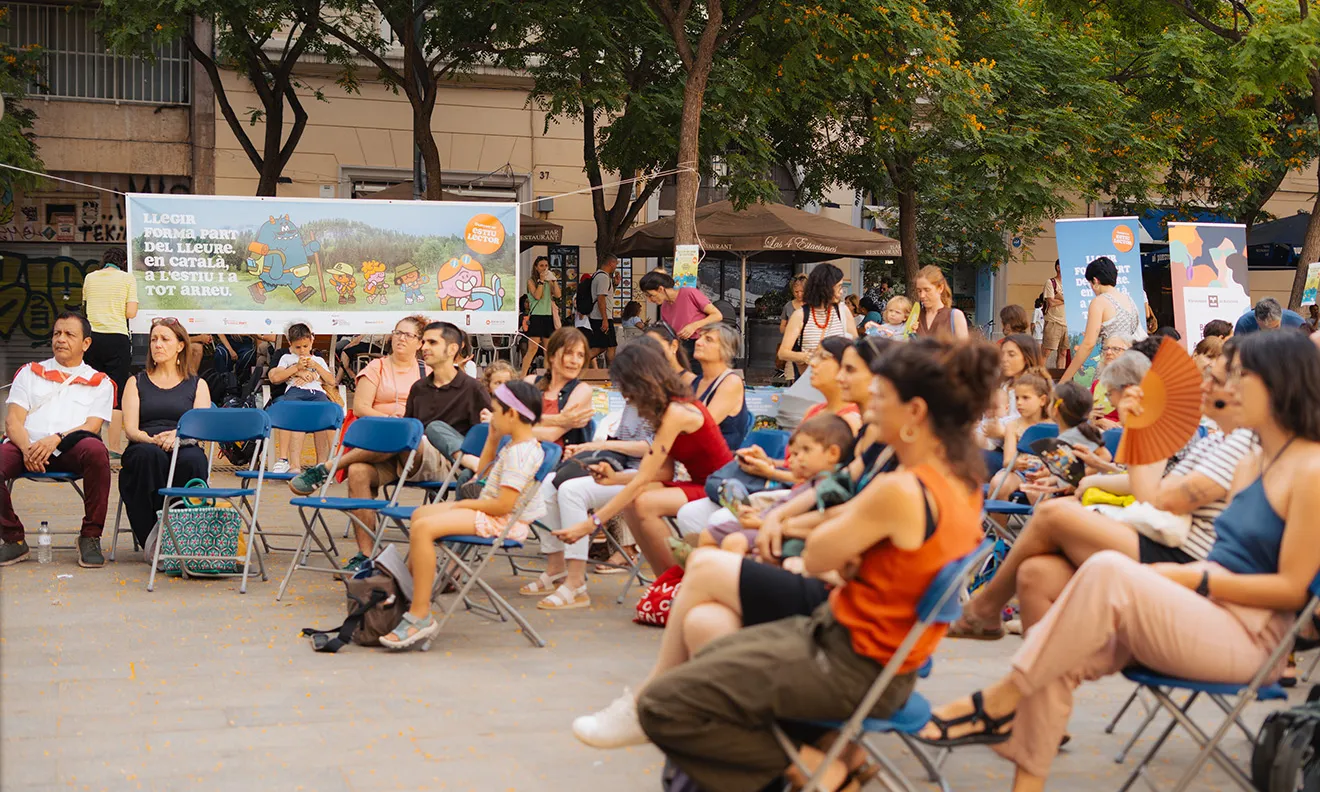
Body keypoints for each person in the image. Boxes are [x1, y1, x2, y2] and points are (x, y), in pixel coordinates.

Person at [919, 330, 1320, 791]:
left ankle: (999, 698)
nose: (1227, 387)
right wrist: (1190, 579)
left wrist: (1193, 579)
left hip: (1252, 636)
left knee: (1104, 571)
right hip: (1200, 604)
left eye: (1240, 377)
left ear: (1279, 384)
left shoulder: (1309, 470)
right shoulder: (1254, 460)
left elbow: (1293, 589)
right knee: (1050, 617)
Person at [620, 338, 995, 791]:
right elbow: (858, 559)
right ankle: (819, 765)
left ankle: (821, 771)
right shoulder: (963, 481)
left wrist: (848, 549)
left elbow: (818, 555)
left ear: (915, 412)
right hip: (877, 654)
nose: (871, 405)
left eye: (881, 396)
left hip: (850, 659)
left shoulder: (900, 488)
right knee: (707, 638)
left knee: (665, 706)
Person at [571, 338, 896, 750]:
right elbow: (828, 489)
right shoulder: (869, 439)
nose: (827, 370)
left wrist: (785, 526)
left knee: (707, 560)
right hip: (808, 557)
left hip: (843, 597)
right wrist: (778, 509)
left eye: (850, 368)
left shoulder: (894, 463)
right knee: (704, 620)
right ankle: (734, 731)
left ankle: (650, 700)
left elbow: (848, 520)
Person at [291, 323, 490, 568]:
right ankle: (365, 556)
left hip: (445, 462)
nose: (424, 347)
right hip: (404, 458)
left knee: (413, 434)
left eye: (430, 342)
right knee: (359, 470)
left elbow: (487, 433)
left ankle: (330, 466)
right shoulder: (419, 387)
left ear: (452, 349)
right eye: (399, 333)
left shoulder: (471, 388)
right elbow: (390, 419)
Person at [380, 380, 548, 650]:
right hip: (489, 510)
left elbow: (504, 506)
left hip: (502, 521)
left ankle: (420, 614)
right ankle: (410, 593)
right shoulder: (513, 444)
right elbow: (482, 476)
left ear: (512, 415)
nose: (490, 415)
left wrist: (462, 506)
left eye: (495, 411)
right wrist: (492, 440)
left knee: (424, 529)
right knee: (421, 514)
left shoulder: (522, 453)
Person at [550, 341, 733, 574]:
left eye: (626, 387)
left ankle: (674, 579)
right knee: (635, 501)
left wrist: (589, 524)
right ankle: (665, 580)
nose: (625, 395)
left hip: (719, 488)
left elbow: (643, 479)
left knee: (643, 501)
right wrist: (614, 478)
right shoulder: (669, 408)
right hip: (700, 483)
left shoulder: (677, 412)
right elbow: (663, 472)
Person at [522, 341, 662, 610]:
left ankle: (576, 582)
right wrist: (590, 448)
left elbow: (650, 448)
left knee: (571, 490)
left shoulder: (658, 402)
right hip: (621, 467)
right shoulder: (634, 401)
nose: (621, 386)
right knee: (548, 484)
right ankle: (557, 567)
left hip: (643, 474)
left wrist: (599, 445)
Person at [0, 311, 115, 568]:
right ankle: (13, 539)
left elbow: (91, 426)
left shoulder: (100, 382)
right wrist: (29, 449)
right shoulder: (30, 372)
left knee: (97, 451)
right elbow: (13, 421)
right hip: (25, 448)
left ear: (86, 344)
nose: (61, 339)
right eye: (57, 334)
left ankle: (90, 537)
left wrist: (57, 439)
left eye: (69, 335)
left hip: (71, 450)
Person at [695, 414, 853, 556]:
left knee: (734, 542)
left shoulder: (827, 487)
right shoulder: (808, 483)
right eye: (796, 453)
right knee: (707, 535)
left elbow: (806, 522)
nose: (798, 459)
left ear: (833, 454)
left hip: (778, 533)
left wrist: (759, 522)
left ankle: (727, 584)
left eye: (806, 450)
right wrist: (756, 514)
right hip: (764, 521)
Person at [118, 317, 212, 548]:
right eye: (153, 339)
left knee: (193, 459)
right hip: (144, 443)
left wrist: (178, 437)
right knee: (149, 456)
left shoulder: (197, 384)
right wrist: (151, 440)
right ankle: (154, 540)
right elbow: (130, 429)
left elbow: (201, 426)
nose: (157, 344)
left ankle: (186, 534)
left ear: (180, 345)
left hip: (185, 442)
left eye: (164, 339)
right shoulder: (136, 382)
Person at [81, 248, 138, 456]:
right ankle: (114, 447)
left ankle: (90, 441)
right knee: (117, 391)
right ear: (122, 262)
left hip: (92, 338)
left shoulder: (90, 278)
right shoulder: (127, 279)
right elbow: (131, 312)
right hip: (117, 338)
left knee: (92, 388)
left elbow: (85, 307)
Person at [1058, 257, 1145, 384]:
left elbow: (1088, 344)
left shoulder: (1099, 302)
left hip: (1109, 369)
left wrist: (1064, 379)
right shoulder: (1130, 301)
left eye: (1090, 284)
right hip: (1130, 370)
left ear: (1095, 281)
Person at [266, 323, 335, 474]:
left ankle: (322, 463)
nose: (302, 350)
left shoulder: (318, 359)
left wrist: (316, 367)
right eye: (298, 347)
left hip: (317, 392)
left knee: (325, 418)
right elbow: (276, 377)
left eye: (305, 346)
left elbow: (331, 380)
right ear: (290, 344)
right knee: (295, 419)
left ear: (311, 341)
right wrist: (296, 369)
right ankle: (294, 465)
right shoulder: (286, 357)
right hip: (295, 392)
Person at [639, 269, 724, 375]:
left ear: (661, 289)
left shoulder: (689, 293)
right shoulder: (664, 307)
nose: (649, 300)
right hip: (681, 349)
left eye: (650, 295)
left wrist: (694, 326)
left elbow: (717, 315)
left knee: (699, 382)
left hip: (700, 345)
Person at [777, 263, 857, 374]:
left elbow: (855, 346)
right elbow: (783, 353)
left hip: (838, 382)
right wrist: (806, 357)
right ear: (825, 288)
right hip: (809, 380)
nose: (842, 292)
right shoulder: (800, 315)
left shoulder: (843, 312)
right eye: (839, 287)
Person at [348, 316, 429, 420]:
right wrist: (389, 419)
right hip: (382, 426)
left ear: (419, 343)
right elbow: (360, 408)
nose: (401, 338)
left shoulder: (427, 371)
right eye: (398, 333)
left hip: (416, 428)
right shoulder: (376, 367)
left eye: (408, 335)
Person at [529, 327, 595, 448]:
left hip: (560, 463)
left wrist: (514, 428)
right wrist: (559, 419)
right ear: (552, 356)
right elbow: (508, 420)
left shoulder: (582, 390)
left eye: (580, 355)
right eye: (569, 353)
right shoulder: (530, 382)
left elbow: (550, 435)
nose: (575, 361)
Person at [690, 325, 749, 452]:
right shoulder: (697, 381)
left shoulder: (731, 382)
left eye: (708, 339)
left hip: (721, 464)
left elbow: (702, 425)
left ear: (726, 350)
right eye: (700, 337)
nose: (698, 342)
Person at [521, 256, 561, 377]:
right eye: (541, 266)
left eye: (546, 266)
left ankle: (548, 376)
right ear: (536, 267)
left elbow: (558, 295)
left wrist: (553, 281)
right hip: (537, 316)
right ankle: (522, 375)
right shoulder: (531, 281)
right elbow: (537, 296)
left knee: (548, 350)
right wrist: (541, 281)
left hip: (547, 316)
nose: (544, 268)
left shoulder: (549, 281)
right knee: (533, 348)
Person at [913, 265, 970, 340]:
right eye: (919, 291)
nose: (922, 295)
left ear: (940, 288)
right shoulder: (915, 316)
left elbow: (964, 350)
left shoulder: (955, 316)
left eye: (927, 290)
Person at [586, 256, 621, 365]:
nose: (616, 267)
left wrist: (614, 285)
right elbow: (601, 298)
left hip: (601, 316)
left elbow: (606, 296)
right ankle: (579, 364)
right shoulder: (603, 278)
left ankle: (610, 372)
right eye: (616, 264)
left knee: (611, 345)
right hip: (601, 317)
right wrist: (604, 319)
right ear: (611, 263)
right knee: (600, 347)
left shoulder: (599, 275)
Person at [644, 324, 698, 389]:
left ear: (674, 346)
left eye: (655, 345)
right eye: (647, 346)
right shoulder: (648, 380)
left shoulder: (692, 382)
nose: (650, 351)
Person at [778, 274, 808, 381]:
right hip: (792, 345)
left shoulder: (812, 305)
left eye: (802, 291)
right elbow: (782, 328)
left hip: (808, 344)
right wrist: (794, 331)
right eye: (796, 292)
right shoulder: (788, 306)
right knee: (794, 376)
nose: (799, 294)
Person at [1041, 260, 1069, 367]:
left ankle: (1060, 378)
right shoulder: (1051, 282)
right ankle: (1040, 377)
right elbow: (1051, 302)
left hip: (1067, 323)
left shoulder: (1069, 284)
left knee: (1063, 353)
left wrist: (1060, 297)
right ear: (1058, 267)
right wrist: (1066, 299)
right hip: (1053, 322)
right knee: (1046, 352)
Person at [1234, 296, 1307, 335]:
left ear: (1281, 316)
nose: (1272, 333)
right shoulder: (1244, 323)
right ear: (1256, 319)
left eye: (1276, 327)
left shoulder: (1296, 322)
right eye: (1267, 330)